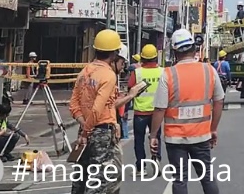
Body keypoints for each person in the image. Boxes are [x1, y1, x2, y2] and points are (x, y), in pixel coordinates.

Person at [68, 30, 147, 194]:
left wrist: (83, 126)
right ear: (114, 53)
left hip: (86, 128)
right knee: (100, 181)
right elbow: (97, 109)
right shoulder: (108, 75)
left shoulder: (85, 72)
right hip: (101, 132)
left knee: (81, 178)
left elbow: (74, 104)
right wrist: (87, 131)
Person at [150, 29, 224, 194]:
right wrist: (213, 128)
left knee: (179, 179)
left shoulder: (168, 74)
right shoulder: (209, 70)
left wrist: (153, 135)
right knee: (207, 177)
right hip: (201, 136)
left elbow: (160, 108)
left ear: (175, 52)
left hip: (175, 139)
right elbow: (219, 100)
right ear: (194, 48)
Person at [128, 44, 163, 168]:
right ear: (156, 58)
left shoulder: (137, 73)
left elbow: (130, 89)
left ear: (142, 58)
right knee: (156, 136)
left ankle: (140, 166)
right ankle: (156, 158)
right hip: (156, 113)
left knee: (139, 140)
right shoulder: (162, 72)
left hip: (140, 113)